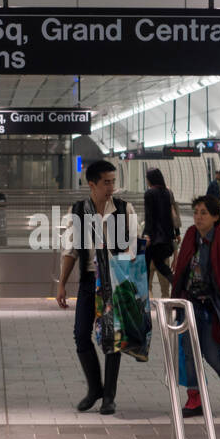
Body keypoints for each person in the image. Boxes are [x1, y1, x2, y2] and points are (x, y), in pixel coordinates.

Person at [56, 159, 140, 415]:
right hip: (89, 280)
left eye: (113, 181)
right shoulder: (78, 211)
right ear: (91, 184)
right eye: (106, 182)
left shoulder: (125, 209)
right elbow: (70, 250)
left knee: (112, 338)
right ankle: (95, 388)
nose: (111, 187)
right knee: (81, 334)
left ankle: (109, 397)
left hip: (115, 280)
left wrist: (126, 252)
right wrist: (61, 285)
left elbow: (135, 245)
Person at [170, 194, 220, 415]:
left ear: (215, 216)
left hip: (212, 306)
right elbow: (183, 269)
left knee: (212, 353)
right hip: (189, 303)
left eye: (204, 212)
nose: (198, 217)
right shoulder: (191, 236)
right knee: (189, 352)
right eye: (196, 212)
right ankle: (195, 398)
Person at [142, 168, 180, 299]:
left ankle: (143, 295)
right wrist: (177, 232)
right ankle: (176, 282)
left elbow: (149, 217)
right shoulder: (167, 192)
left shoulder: (149, 193)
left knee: (145, 266)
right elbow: (174, 214)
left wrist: (147, 234)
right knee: (159, 263)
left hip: (153, 237)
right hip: (167, 237)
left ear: (150, 179)